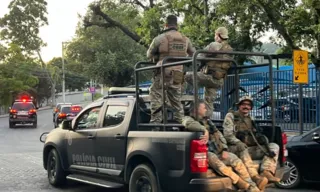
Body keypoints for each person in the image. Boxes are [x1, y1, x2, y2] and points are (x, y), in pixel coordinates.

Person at [182, 100, 261, 192]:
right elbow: (188, 123)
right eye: (204, 108)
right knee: (213, 158)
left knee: (235, 159)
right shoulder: (187, 119)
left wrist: (224, 148)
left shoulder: (207, 121)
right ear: (196, 109)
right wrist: (204, 130)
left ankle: (252, 186)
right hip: (205, 154)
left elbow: (219, 134)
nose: (206, 110)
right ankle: (240, 183)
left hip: (217, 151)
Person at [147, 15, 195, 125]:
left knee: (155, 95)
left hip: (163, 74)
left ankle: (156, 124)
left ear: (166, 25)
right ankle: (182, 123)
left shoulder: (160, 38)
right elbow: (193, 54)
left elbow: (149, 54)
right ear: (176, 25)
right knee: (177, 102)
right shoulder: (185, 39)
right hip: (178, 75)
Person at [223, 96, 281, 185]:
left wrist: (261, 139)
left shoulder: (251, 118)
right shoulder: (231, 116)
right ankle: (255, 177)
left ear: (251, 107)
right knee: (242, 148)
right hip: (234, 149)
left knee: (273, 146)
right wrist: (238, 142)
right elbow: (228, 135)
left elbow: (254, 134)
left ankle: (266, 172)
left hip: (249, 149)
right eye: (243, 104)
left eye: (248, 105)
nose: (246, 107)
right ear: (239, 105)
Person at [184, 27, 233, 118]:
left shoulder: (214, 45)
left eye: (215, 34)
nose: (215, 37)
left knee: (187, 76)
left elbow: (199, 56)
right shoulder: (229, 49)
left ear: (218, 35)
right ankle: (207, 121)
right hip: (219, 80)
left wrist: (190, 54)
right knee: (209, 102)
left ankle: (190, 96)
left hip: (209, 77)